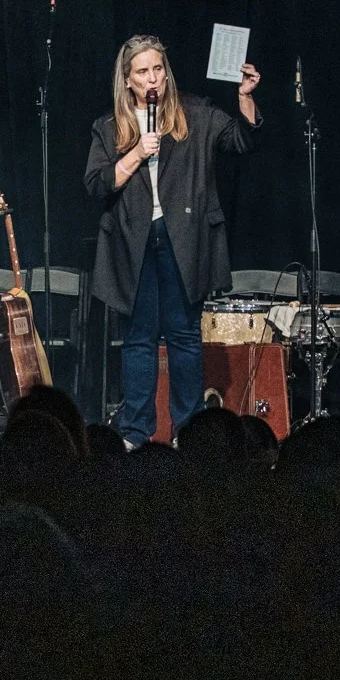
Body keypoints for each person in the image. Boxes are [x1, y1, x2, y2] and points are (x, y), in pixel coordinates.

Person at [84, 34, 261, 448]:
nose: (153, 79)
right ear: (127, 80)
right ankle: (135, 433)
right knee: (140, 338)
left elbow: (241, 140)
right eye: (143, 71)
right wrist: (134, 156)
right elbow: (95, 184)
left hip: (183, 238)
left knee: (184, 336)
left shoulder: (194, 115)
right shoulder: (110, 127)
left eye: (158, 69)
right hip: (135, 240)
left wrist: (246, 99)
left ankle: (188, 432)